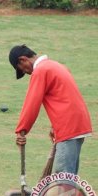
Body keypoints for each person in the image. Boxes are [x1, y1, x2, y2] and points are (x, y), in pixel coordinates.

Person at [9, 44, 92, 175]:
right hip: (77, 125)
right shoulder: (55, 65)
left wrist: (21, 130)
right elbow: (64, 97)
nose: (26, 73)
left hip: (69, 128)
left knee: (62, 182)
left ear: (23, 60)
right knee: (69, 179)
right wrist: (55, 126)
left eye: (22, 70)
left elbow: (32, 103)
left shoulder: (41, 71)